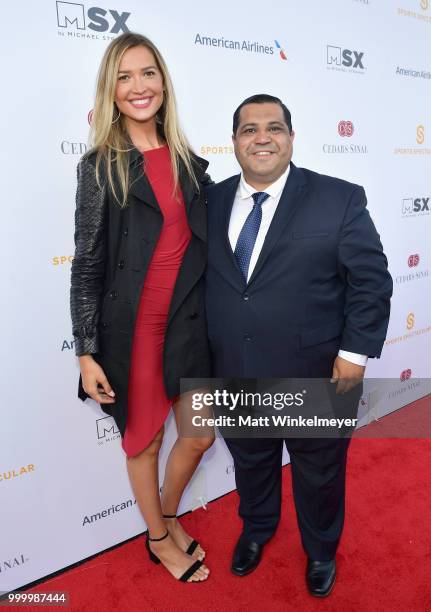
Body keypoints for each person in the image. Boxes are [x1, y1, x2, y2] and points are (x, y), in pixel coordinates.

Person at [205, 94, 392, 596]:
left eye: (274, 128)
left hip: (315, 372)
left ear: (291, 137)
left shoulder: (339, 198)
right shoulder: (211, 201)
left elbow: (370, 282)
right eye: (249, 129)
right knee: (251, 462)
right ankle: (258, 528)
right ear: (235, 142)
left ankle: (321, 551)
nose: (261, 137)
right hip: (235, 371)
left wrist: (353, 357)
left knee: (319, 474)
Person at [70, 32, 214, 583]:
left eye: (148, 73)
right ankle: (158, 539)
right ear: (111, 90)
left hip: (191, 323)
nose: (139, 87)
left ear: (163, 81)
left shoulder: (190, 163)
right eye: (124, 77)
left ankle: (169, 513)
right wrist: (86, 352)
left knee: (199, 433)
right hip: (136, 328)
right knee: (146, 440)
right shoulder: (100, 165)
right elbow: (86, 264)